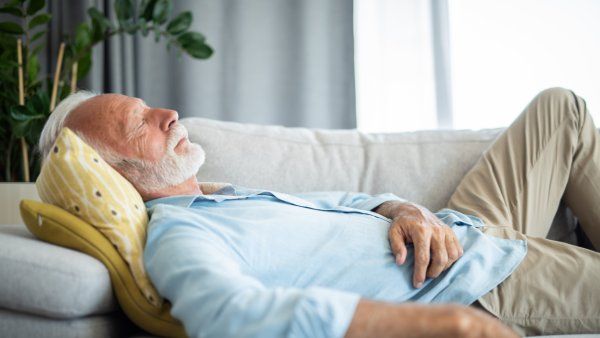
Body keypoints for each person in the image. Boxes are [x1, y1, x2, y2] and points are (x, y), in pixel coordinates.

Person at [38, 88, 600, 338]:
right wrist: (443, 324)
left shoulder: (224, 195)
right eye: (141, 122)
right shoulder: (181, 234)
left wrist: (403, 208)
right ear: (113, 175)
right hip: (472, 279)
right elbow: (228, 317)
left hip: (454, 224)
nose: (169, 113)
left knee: (562, 110)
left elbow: (348, 203)